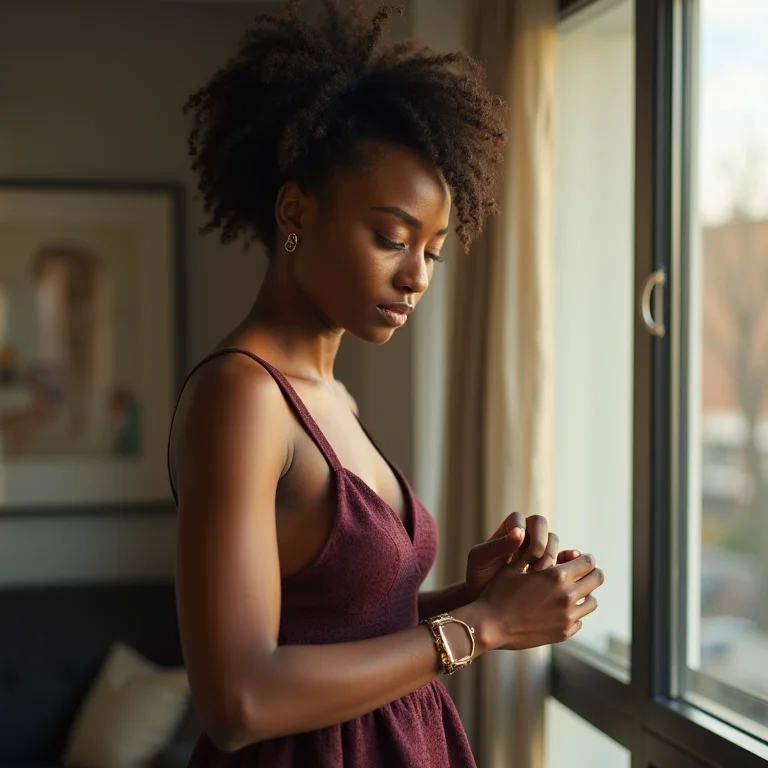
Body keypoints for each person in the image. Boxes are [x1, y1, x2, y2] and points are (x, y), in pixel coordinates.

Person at [167, 2, 604, 765]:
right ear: (296, 211)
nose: (416, 277)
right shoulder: (241, 397)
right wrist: (484, 629)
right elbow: (239, 699)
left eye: (434, 252)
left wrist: (472, 601)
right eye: (391, 238)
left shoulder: (332, 397)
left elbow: (333, 631)